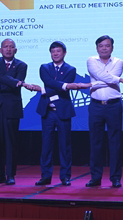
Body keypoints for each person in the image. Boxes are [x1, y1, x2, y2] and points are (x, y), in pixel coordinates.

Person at [32, 41, 91, 186]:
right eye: (53, 51)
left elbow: (57, 87)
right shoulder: (44, 68)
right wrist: (63, 85)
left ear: (64, 53)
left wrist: (43, 90)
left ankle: (65, 176)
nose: (55, 54)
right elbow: (49, 82)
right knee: (46, 145)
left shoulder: (71, 69)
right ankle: (45, 176)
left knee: (65, 145)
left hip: (63, 111)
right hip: (47, 111)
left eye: (58, 51)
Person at [85, 35, 123, 188]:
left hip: (114, 105)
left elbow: (111, 77)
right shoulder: (91, 61)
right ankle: (95, 177)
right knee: (95, 143)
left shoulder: (119, 62)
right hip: (96, 106)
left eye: (107, 46)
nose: (104, 48)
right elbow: (110, 78)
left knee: (115, 143)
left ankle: (115, 178)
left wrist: (111, 79)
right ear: (97, 48)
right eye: (101, 46)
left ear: (112, 48)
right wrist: (116, 79)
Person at [0, 38, 30, 185]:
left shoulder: (22, 65)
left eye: (11, 47)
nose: (8, 49)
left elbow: (14, 86)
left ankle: (10, 175)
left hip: (12, 108)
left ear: (15, 50)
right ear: (0, 50)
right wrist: (14, 82)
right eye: (5, 47)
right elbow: (1, 77)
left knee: (11, 143)